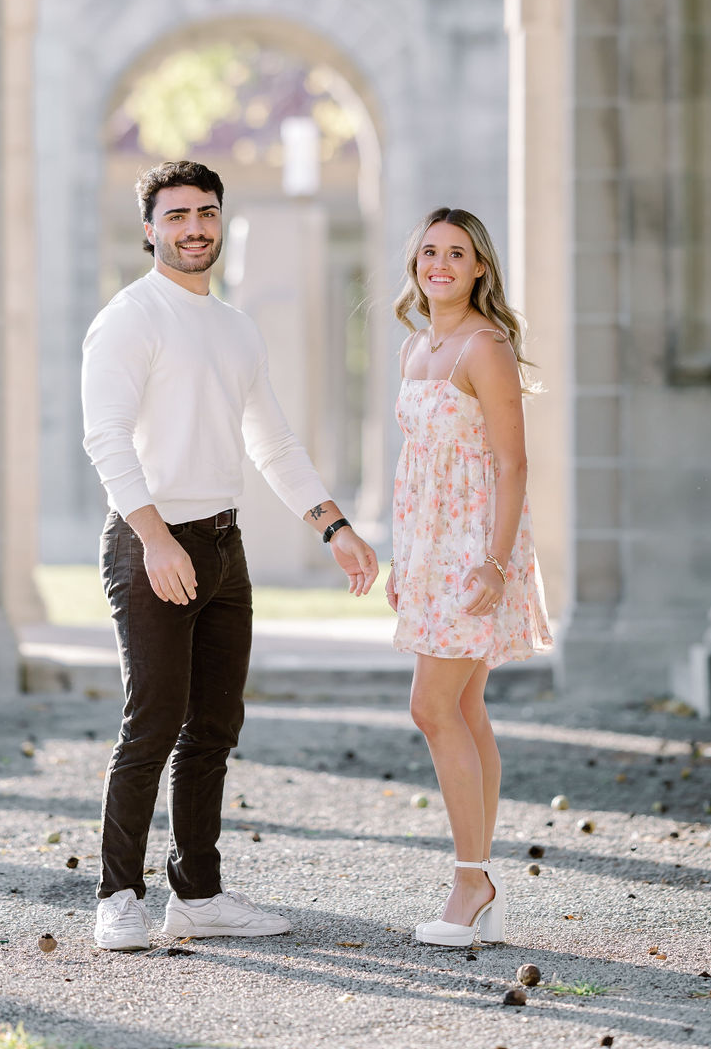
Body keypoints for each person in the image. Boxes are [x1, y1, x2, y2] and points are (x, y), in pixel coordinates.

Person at [81, 159, 379, 951]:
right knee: (152, 721)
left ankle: (199, 896)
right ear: (150, 228)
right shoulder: (129, 318)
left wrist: (334, 526)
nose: (194, 228)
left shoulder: (234, 327)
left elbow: (272, 442)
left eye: (206, 213)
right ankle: (117, 895)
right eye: (176, 216)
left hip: (222, 544)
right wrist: (152, 538)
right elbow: (105, 437)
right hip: (150, 544)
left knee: (212, 727)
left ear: (220, 220)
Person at [387, 206, 552, 947]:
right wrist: (402, 557)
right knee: (466, 708)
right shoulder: (418, 347)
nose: (440, 265)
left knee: (433, 707)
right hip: (428, 549)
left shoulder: (483, 347)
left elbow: (513, 464)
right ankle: (478, 877)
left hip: (472, 551)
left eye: (457, 253)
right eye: (429, 252)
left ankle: (471, 883)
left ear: (480, 267)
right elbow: (417, 466)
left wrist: (493, 560)